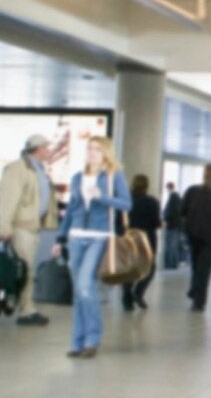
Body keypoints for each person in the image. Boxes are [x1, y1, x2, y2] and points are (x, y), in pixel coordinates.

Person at [52, 136, 131, 358]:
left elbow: (126, 203)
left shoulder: (114, 176)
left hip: (99, 236)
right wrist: (60, 239)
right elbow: (71, 211)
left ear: (106, 152)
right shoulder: (78, 178)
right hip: (76, 236)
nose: (92, 153)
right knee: (79, 291)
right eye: (89, 149)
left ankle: (92, 339)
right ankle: (77, 343)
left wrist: (103, 197)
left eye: (97, 149)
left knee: (86, 286)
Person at [0, 134, 59, 326]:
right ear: (38, 148)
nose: (49, 151)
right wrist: (4, 226)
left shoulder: (38, 169)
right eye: (47, 148)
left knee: (26, 269)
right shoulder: (18, 169)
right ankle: (26, 310)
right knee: (24, 270)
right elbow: (7, 199)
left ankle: (25, 307)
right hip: (20, 227)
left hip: (33, 227)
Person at [180, 164, 211, 312]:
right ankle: (198, 298)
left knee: (196, 266)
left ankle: (196, 293)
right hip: (210, 236)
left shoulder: (192, 191)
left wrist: (188, 225)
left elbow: (182, 211)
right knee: (204, 268)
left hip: (194, 233)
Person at [122, 174, 161, 311]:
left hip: (129, 237)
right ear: (146, 186)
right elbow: (156, 223)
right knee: (150, 268)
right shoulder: (152, 202)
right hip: (147, 239)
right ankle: (138, 292)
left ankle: (126, 299)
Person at [162, 182, 183, 269]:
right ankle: (172, 263)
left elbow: (171, 212)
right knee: (172, 245)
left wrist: (166, 219)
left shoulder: (173, 197)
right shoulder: (176, 197)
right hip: (175, 225)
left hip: (172, 225)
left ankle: (171, 264)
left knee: (171, 245)